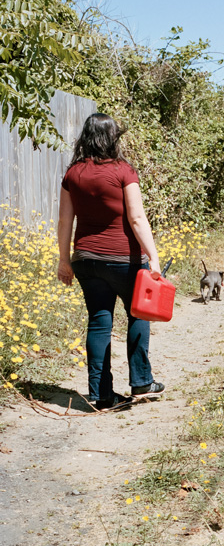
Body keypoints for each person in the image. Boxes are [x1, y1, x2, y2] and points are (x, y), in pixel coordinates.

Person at [56, 112, 164, 410]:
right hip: (124, 259)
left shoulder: (72, 174)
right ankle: (142, 381)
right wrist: (153, 258)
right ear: (113, 137)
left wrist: (64, 260)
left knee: (99, 321)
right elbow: (137, 217)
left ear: (86, 137)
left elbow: (65, 221)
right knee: (138, 314)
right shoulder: (123, 171)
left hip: (86, 260)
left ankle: (101, 395)